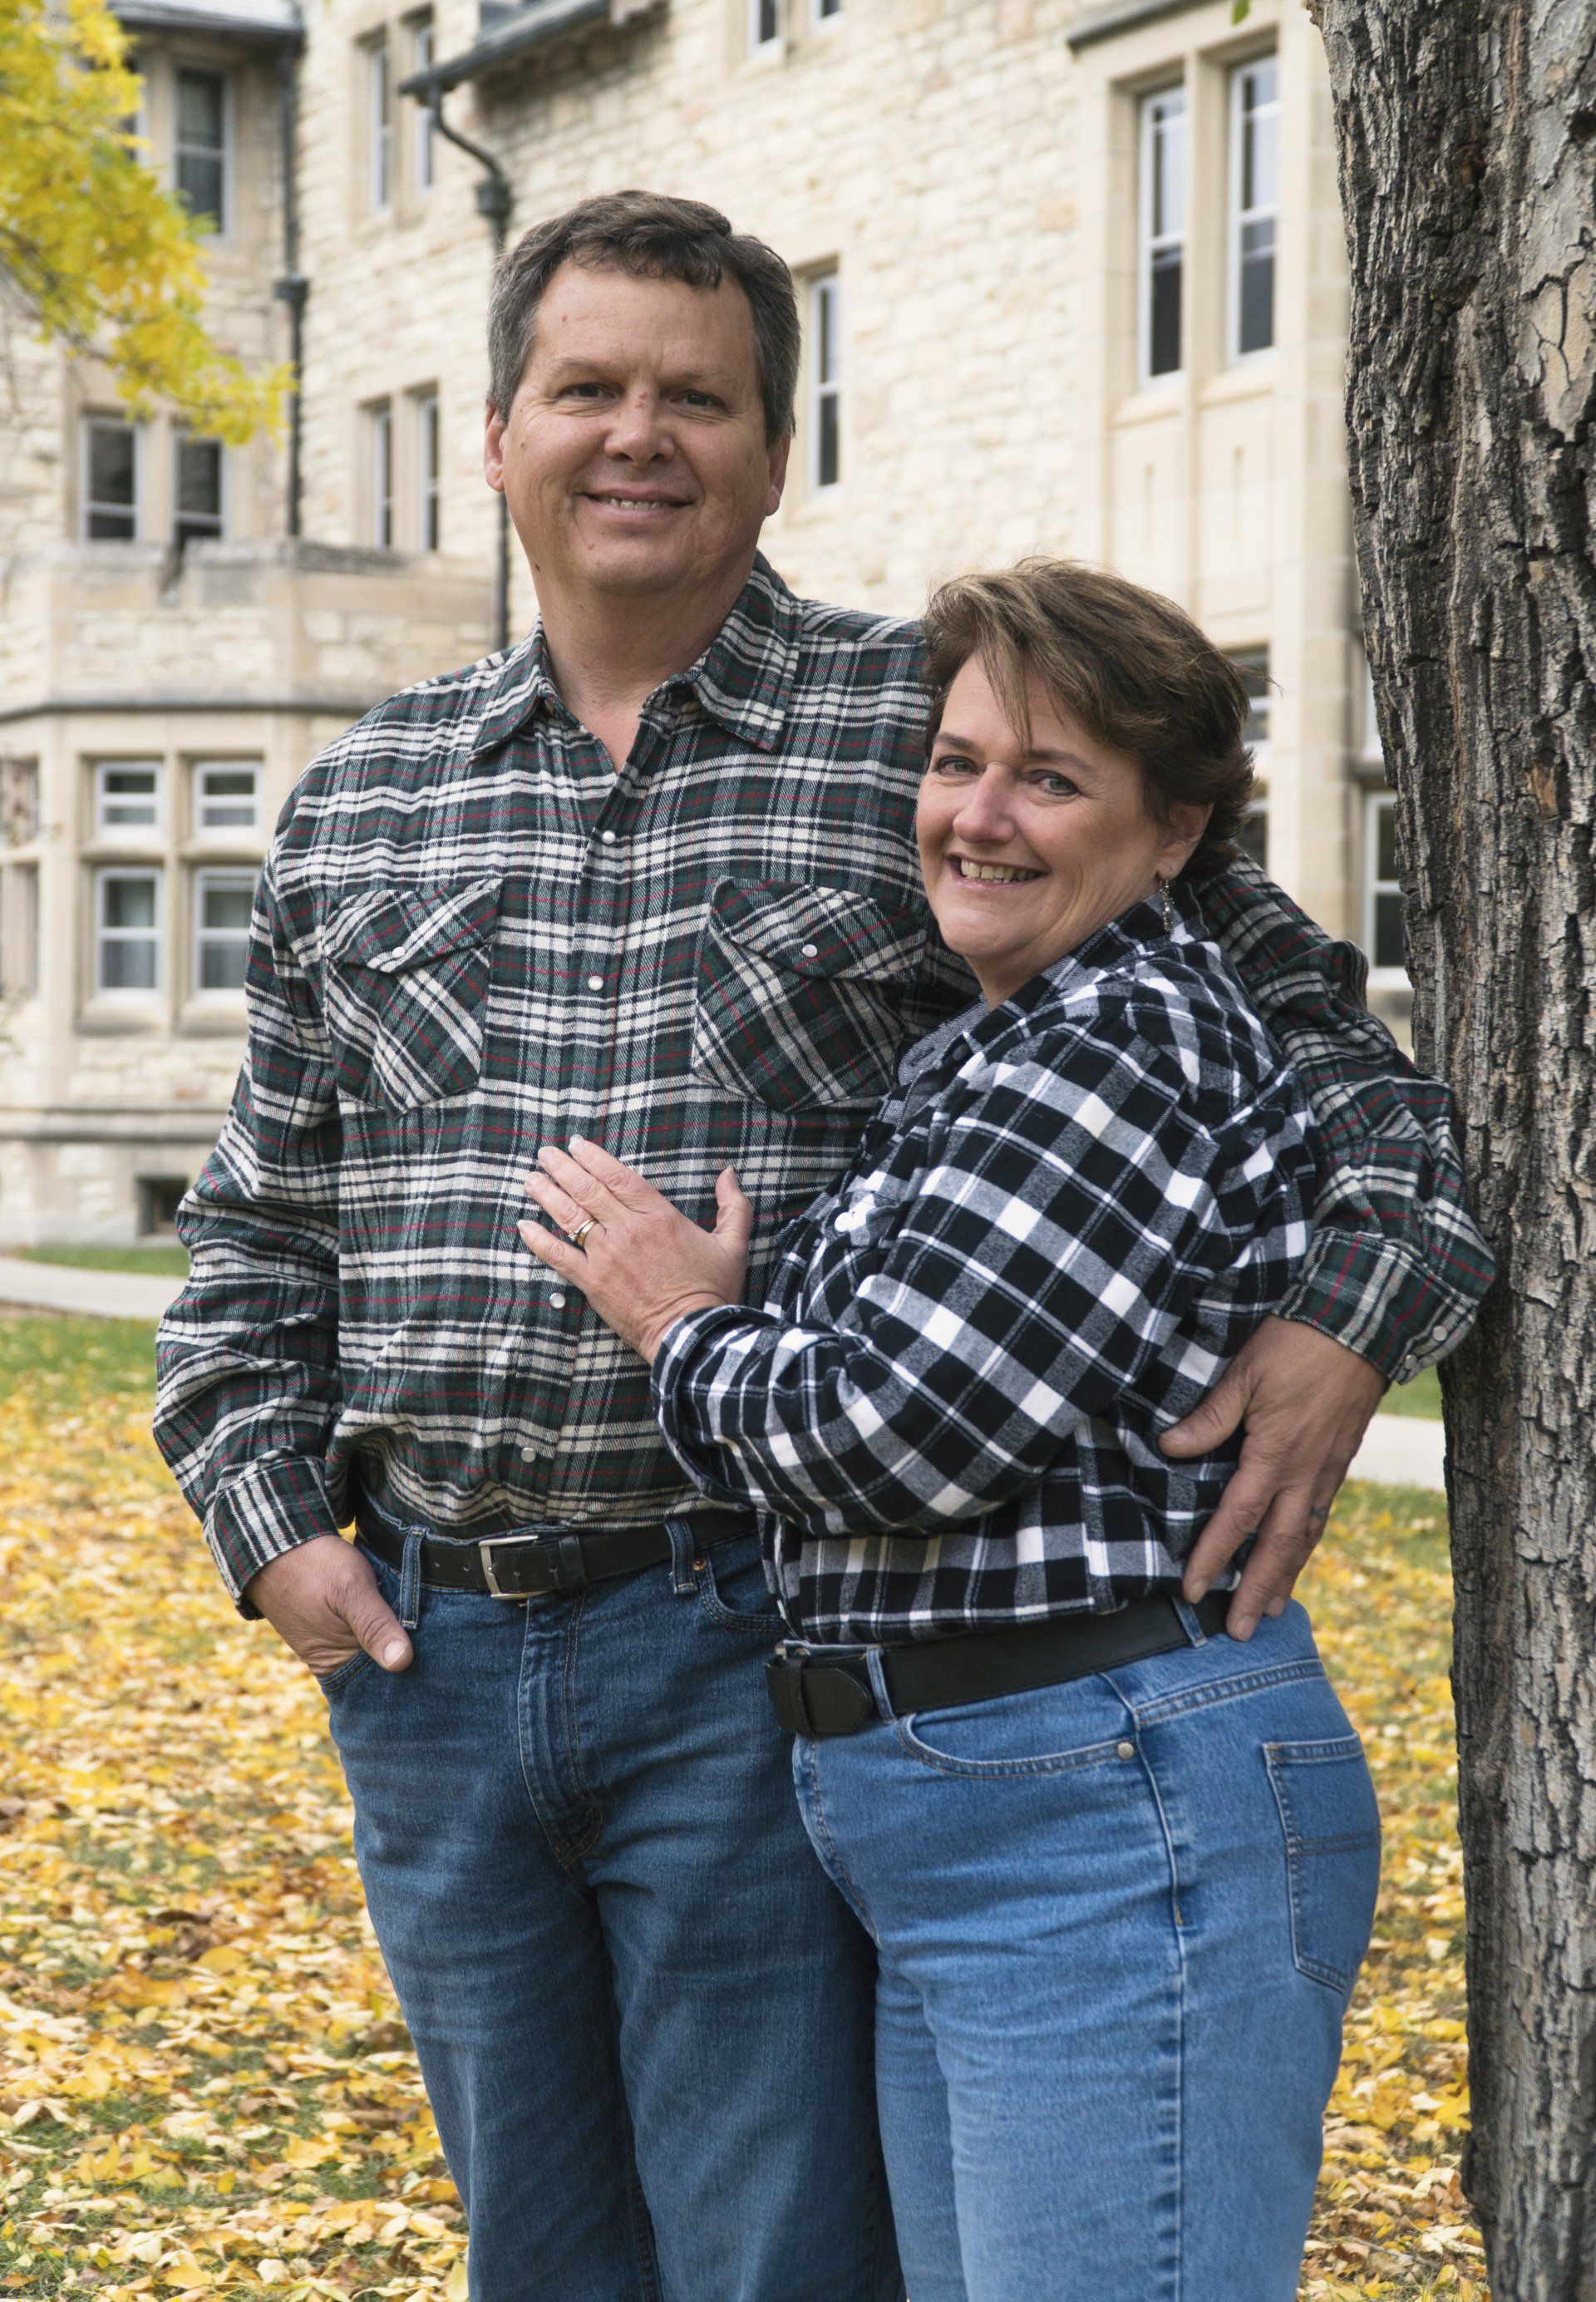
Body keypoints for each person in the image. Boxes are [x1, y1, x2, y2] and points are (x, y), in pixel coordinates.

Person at [154, 193, 1492, 2302]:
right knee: (539, 2257)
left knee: (777, 2252)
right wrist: (269, 1529)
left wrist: (1354, 1310)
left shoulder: (938, 734)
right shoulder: (364, 798)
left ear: (780, 449)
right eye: (586, 388)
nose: (638, 436)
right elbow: (254, 1223)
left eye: (698, 398)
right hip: (425, 1656)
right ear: (497, 433)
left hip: (745, 1632)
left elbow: (1321, 1044)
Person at [520, 559, 1474, 2302]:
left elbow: (896, 1435)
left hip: (1101, 1812)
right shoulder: (995, 1045)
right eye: (957, 763)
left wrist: (676, 1322)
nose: (978, 816)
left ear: (1176, 832)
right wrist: (751, 1323)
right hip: (971, 1812)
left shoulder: (1111, 1041)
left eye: (1051, 779)